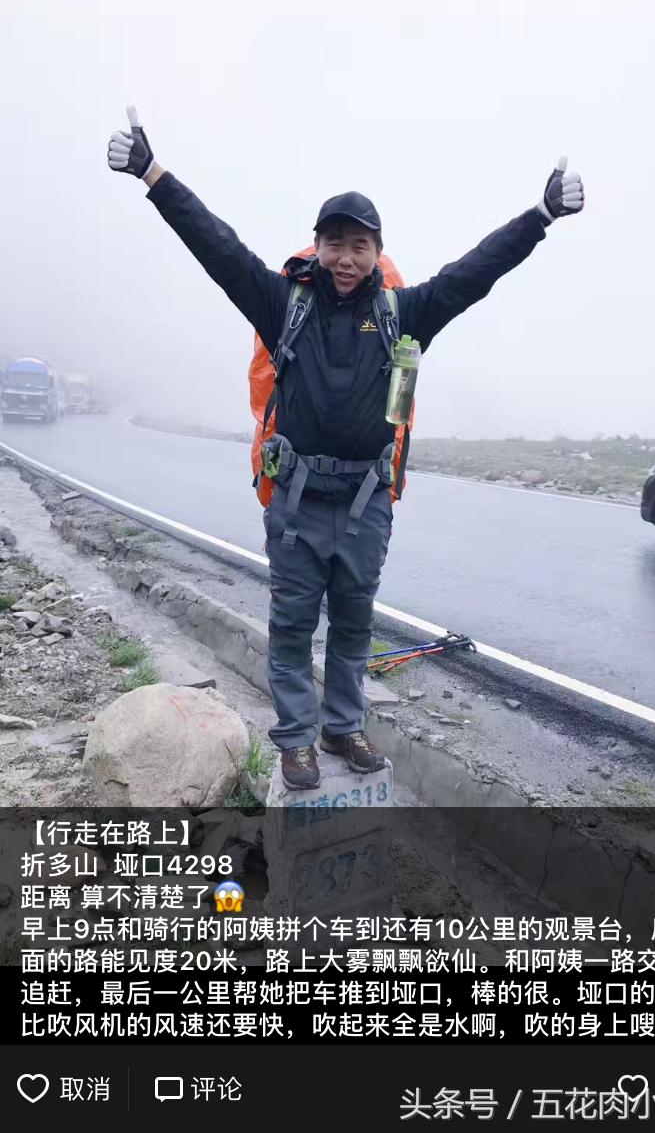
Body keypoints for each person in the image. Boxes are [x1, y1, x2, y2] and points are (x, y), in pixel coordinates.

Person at [108, 106, 584, 789]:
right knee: (294, 624)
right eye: (334, 243)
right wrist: (153, 174)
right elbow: (216, 246)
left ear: (376, 252)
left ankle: (344, 725)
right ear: (318, 247)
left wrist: (538, 216)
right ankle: (297, 738)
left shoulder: (403, 312)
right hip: (299, 501)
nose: (345, 257)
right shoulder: (283, 305)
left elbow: (476, 271)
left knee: (356, 624)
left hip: (365, 502)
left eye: (359, 245)